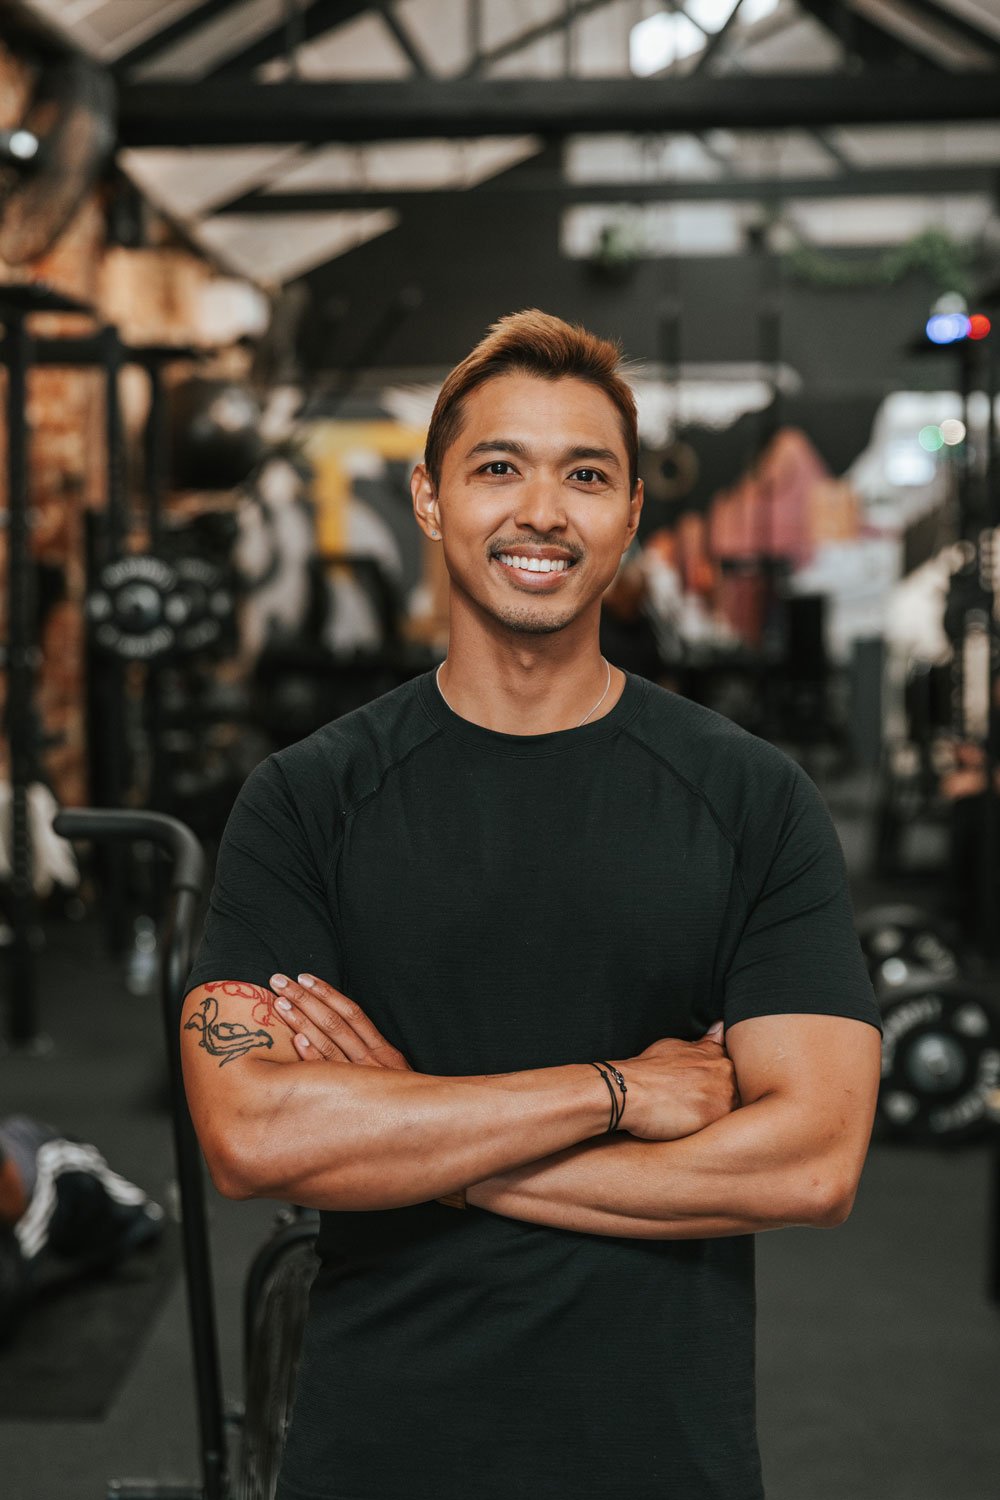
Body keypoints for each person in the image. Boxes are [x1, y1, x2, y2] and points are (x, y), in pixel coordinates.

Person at [181, 310, 882, 1500]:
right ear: (430, 499)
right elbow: (254, 1137)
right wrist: (616, 1092)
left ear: (629, 513)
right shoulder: (308, 798)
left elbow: (808, 1163)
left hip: (661, 1456)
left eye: (586, 475)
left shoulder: (751, 798)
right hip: (380, 1452)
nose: (543, 512)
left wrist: (415, 1137)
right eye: (498, 467)